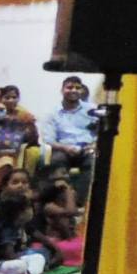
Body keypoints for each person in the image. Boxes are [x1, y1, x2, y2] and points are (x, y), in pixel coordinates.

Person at [39, 75, 96, 203]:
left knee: (93, 163)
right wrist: (66, 148)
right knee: (56, 160)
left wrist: (93, 145)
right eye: (69, 87)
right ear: (62, 90)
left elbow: (101, 132)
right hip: (63, 149)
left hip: (87, 149)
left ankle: (79, 202)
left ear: (82, 90)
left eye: (77, 88)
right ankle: (60, 200)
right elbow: (49, 139)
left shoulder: (91, 110)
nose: (74, 90)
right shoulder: (53, 113)